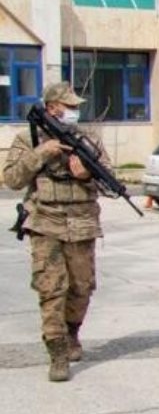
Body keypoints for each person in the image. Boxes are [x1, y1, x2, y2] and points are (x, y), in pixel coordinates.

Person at [3, 82, 107, 382]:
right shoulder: (28, 139)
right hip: (45, 222)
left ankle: (72, 332)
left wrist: (86, 174)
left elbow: (109, 179)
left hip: (83, 223)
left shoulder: (87, 139)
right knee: (52, 290)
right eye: (69, 106)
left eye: (76, 107)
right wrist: (42, 153)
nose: (75, 111)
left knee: (82, 288)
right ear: (51, 108)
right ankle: (58, 353)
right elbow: (11, 179)